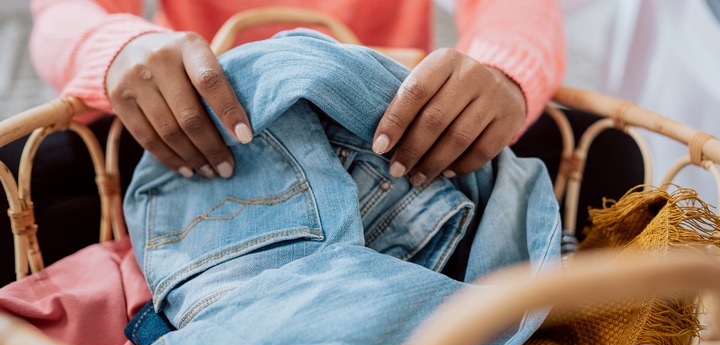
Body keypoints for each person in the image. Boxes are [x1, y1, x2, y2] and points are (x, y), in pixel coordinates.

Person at [29, 0, 566, 185]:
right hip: (194, 117)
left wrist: (502, 72)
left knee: (593, 153)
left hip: (392, 126)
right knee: (36, 165)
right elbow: (61, 13)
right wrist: (116, 49)